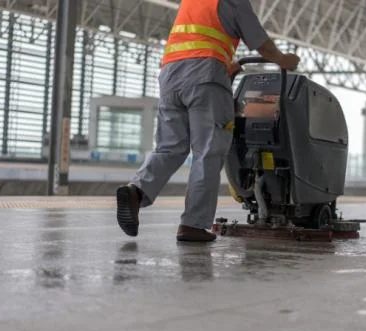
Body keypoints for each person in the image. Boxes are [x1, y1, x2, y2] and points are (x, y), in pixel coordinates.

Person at [116, 0, 300, 242]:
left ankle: (136, 192)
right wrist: (281, 59)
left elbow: (197, 43)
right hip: (205, 78)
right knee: (208, 151)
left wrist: (225, 64)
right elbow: (260, 42)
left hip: (170, 77)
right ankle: (192, 224)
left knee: (169, 148)